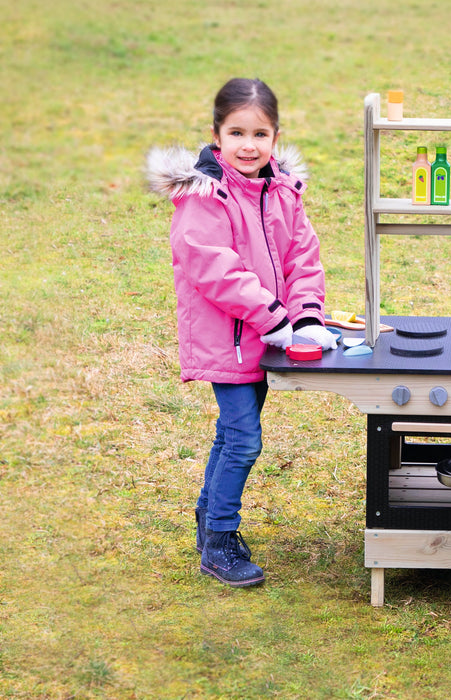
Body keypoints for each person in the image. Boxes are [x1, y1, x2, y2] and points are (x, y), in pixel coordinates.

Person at [147, 78, 336, 588]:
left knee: (232, 434)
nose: (248, 145)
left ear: (276, 137)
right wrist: (276, 320)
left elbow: (303, 257)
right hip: (230, 340)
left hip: (266, 340)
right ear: (216, 135)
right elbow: (216, 270)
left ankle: (209, 523)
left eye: (260, 133)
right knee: (244, 441)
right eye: (236, 133)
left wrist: (309, 316)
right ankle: (221, 542)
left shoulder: (283, 190)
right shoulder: (203, 196)